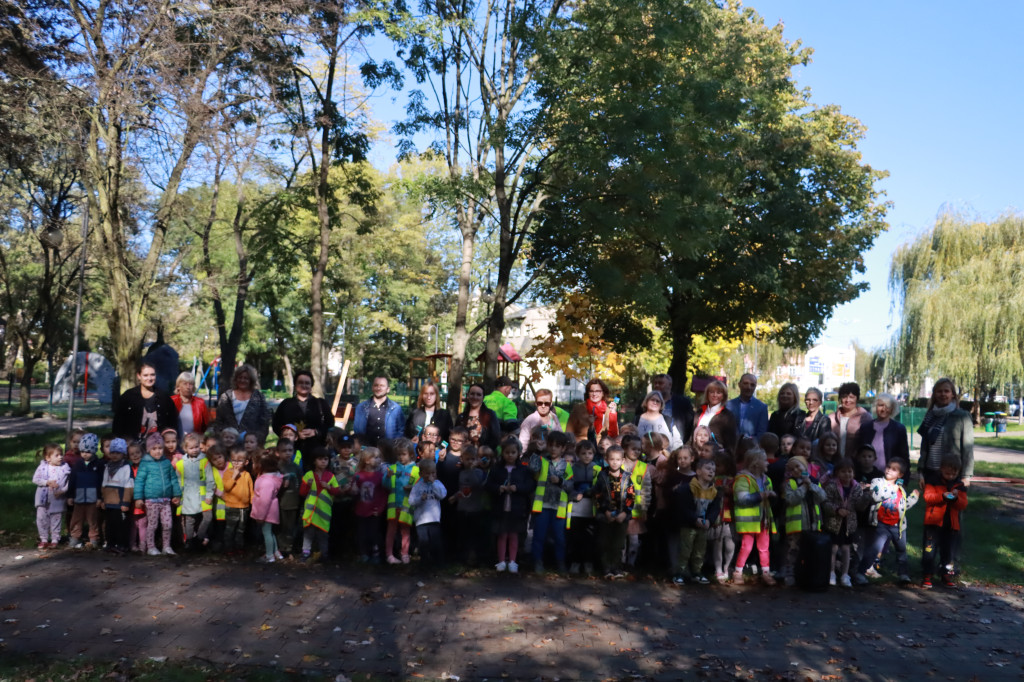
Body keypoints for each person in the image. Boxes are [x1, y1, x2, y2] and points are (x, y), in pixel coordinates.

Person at [853, 457, 919, 585]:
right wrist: (892, 489)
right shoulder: (877, 482)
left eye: (894, 469)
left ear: (900, 474)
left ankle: (903, 574)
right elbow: (875, 496)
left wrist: (913, 498)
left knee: (901, 550)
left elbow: (903, 506)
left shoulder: (900, 488)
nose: (889, 470)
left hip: (898, 526)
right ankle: (860, 573)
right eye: (888, 467)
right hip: (881, 524)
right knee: (873, 550)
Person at [670, 457, 721, 585]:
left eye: (713, 470)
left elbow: (715, 509)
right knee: (685, 550)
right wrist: (694, 519)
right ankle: (679, 573)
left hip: (703, 526)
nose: (711, 472)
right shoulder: (687, 489)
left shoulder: (714, 491)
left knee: (700, 550)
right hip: (688, 525)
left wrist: (710, 520)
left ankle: (697, 572)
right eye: (708, 469)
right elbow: (683, 507)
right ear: (698, 471)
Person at [487, 437, 534, 574]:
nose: (510, 455)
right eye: (507, 452)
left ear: (518, 453)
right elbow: (488, 484)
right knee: (502, 535)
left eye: (513, 452)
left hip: (517, 508)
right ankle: (501, 561)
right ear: (502, 453)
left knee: (514, 535)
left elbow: (530, 486)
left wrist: (517, 488)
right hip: (500, 507)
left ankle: (513, 561)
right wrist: (499, 488)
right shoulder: (496, 469)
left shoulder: (523, 470)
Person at [731, 447, 777, 585]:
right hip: (749, 521)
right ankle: (738, 571)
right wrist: (762, 495)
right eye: (764, 460)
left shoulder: (766, 479)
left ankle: (766, 573)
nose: (768, 463)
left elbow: (770, 498)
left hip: (764, 519)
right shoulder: (742, 479)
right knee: (747, 546)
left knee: (764, 547)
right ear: (756, 463)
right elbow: (741, 499)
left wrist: (772, 496)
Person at [921, 454, 968, 588]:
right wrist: (942, 496)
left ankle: (946, 574)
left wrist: (956, 498)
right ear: (941, 469)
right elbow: (928, 497)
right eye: (947, 473)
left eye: (954, 474)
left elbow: (963, 504)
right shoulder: (933, 480)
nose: (950, 476)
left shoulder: (959, 485)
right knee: (929, 549)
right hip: (933, 523)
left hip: (950, 524)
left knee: (948, 551)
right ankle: (927, 574)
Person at [529, 430, 573, 574]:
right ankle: (537, 562)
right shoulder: (542, 460)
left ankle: (560, 563)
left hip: (559, 508)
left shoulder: (567, 465)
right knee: (539, 536)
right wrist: (537, 451)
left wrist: (560, 481)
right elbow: (532, 468)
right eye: (551, 445)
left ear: (563, 448)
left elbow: (571, 485)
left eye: (557, 446)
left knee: (560, 538)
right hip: (542, 506)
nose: (553, 448)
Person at [917, 378, 974, 487]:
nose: (943, 394)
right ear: (934, 394)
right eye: (939, 391)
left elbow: (968, 449)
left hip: (951, 473)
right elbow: (924, 447)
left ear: (952, 394)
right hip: (930, 472)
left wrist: (966, 476)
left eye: (946, 391)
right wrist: (921, 472)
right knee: (931, 503)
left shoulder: (962, 416)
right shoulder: (930, 416)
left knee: (951, 503)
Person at [272, 370, 335, 468]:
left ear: (311, 386)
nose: (304, 385)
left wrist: (316, 432)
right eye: (300, 382)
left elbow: (330, 423)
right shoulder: (286, 404)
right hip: (292, 451)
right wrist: (293, 434)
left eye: (307, 383)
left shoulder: (321, 404)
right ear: (295, 385)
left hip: (317, 451)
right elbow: (276, 425)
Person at [780, 455, 826, 587]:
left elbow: (822, 497)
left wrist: (810, 485)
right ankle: (789, 574)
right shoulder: (790, 483)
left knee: (809, 552)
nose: (796, 470)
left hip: (812, 525)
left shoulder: (814, 481)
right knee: (792, 551)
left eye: (798, 466)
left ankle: (806, 575)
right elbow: (791, 499)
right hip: (796, 526)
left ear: (805, 466)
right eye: (792, 468)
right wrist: (803, 488)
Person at [134, 432, 182, 556]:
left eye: (160, 448)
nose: (158, 452)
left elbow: (173, 479)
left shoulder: (166, 462)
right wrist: (138, 498)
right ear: (149, 449)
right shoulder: (145, 463)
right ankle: (151, 547)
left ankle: (166, 546)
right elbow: (139, 480)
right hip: (151, 500)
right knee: (153, 525)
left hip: (166, 500)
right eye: (154, 449)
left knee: (167, 524)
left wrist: (177, 494)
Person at [822, 458, 865, 588]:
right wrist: (836, 510)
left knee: (846, 548)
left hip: (849, 523)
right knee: (833, 548)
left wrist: (868, 497)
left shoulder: (856, 487)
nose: (847, 474)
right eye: (843, 471)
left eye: (850, 471)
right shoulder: (831, 486)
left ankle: (845, 574)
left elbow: (859, 505)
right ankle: (831, 572)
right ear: (837, 473)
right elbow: (825, 502)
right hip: (834, 523)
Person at [112, 360, 179, 442]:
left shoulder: (164, 398)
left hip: (157, 448)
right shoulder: (128, 397)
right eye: (145, 375)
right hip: (132, 448)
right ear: (139, 376)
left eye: (152, 375)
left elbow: (173, 423)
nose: (149, 378)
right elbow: (118, 425)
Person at [594, 445, 635, 579]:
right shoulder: (602, 475)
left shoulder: (627, 477)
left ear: (622, 460)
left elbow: (631, 497)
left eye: (618, 459)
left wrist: (625, 513)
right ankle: (606, 568)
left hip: (621, 516)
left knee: (618, 544)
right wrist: (605, 511)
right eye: (612, 459)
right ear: (606, 459)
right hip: (606, 515)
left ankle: (616, 568)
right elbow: (598, 494)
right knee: (604, 542)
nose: (615, 462)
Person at [299, 447, 343, 562]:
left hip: (324, 511)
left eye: (326, 459)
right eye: (320, 459)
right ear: (314, 461)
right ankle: (306, 552)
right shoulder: (309, 475)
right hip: (311, 511)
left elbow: (337, 491)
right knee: (308, 533)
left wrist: (329, 487)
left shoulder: (330, 476)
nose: (323, 461)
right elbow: (302, 493)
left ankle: (324, 554)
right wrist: (307, 485)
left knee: (323, 534)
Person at [566, 439, 601, 576]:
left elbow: (601, 485)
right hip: (576, 508)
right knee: (576, 537)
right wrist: (574, 494)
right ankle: (575, 562)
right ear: (578, 454)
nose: (587, 456)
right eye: (583, 453)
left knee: (589, 538)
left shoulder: (597, 469)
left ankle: (588, 563)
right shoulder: (572, 469)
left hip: (591, 508)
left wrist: (591, 492)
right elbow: (568, 484)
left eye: (590, 453)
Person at [213, 364, 271, 445]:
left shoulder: (259, 397)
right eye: (240, 377)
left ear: (251, 380)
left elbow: (265, 422)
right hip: (228, 443)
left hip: (251, 444)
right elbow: (219, 421)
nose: (242, 380)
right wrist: (221, 438)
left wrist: (258, 440)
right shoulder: (226, 396)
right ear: (235, 379)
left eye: (246, 378)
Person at [451, 446, 488, 566]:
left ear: (477, 459)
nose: (470, 462)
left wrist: (472, 470)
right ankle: (463, 558)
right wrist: (455, 496)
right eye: (467, 459)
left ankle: (476, 559)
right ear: (462, 459)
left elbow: (477, 485)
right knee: (463, 534)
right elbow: (462, 489)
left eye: (473, 459)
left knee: (475, 535)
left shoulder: (479, 472)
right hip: (462, 508)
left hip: (475, 509)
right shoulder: (461, 473)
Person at [384, 439, 419, 564]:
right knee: (391, 531)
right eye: (398, 454)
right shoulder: (392, 468)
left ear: (410, 454)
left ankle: (405, 554)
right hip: (393, 506)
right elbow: (386, 485)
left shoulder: (416, 469)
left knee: (405, 530)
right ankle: (389, 555)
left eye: (403, 454)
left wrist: (412, 487)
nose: (400, 457)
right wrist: (387, 477)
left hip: (407, 505)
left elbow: (419, 486)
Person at [174, 433, 211, 550]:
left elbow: (210, 480)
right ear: (185, 449)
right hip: (188, 497)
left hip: (203, 497)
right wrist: (177, 496)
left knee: (207, 517)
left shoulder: (205, 461)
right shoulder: (180, 464)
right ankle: (189, 542)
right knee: (189, 521)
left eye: (196, 447)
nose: (194, 450)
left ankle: (199, 538)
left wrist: (209, 495)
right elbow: (178, 482)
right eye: (191, 448)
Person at [67, 433, 103, 549]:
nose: (85, 454)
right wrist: (70, 496)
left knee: (93, 520)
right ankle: (75, 537)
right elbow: (72, 481)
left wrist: (100, 497)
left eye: (88, 452)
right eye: (82, 452)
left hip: (93, 499)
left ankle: (93, 539)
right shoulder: (78, 464)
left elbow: (101, 482)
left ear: (93, 451)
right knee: (77, 519)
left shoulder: (99, 465)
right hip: (79, 497)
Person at [409, 459, 448, 568]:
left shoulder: (438, 483)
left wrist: (433, 483)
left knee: (436, 543)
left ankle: (439, 563)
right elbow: (411, 501)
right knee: (423, 543)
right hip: (421, 520)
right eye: (428, 473)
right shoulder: (417, 486)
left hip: (434, 519)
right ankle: (424, 564)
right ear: (421, 474)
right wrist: (420, 498)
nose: (431, 476)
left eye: (433, 473)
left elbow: (442, 495)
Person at [637, 374, 694, 445]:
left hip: (674, 445)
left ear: (670, 385)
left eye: (660, 383)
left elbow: (690, 424)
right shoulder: (646, 402)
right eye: (655, 383)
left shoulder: (683, 403)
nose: (657, 385)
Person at [352, 447, 387, 564]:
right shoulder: (358, 475)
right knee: (362, 533)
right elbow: (354, 491)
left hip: (374, 510)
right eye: (375, 457)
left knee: (374, 533)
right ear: (366, 460)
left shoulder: (380, 476)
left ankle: (375, 554)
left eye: (379, 458)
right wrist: (353, 489)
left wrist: (381, 508)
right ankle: (363, 553)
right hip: (360, 510)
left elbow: (383, 494)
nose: (378, 460)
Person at [33, 443, 69, 549]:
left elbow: (68, 483)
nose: (60, 457)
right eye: (57, 455)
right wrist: (47, 482)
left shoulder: (64, 468)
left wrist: (62, 491)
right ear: (48, 458)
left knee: (56, 519)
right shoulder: (43, 468)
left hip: (57, 499)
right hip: (43, 500)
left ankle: (55, 539)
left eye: (61, 454)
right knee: (41, 519)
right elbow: (36, 479)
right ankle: (44, 538)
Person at [352, 376, 405, 448]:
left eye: (382, 386)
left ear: (388, 389)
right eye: (376, 385)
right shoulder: (361, 408)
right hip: (366, 451)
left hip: (388, 450)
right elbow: (357, 431)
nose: (378, 388)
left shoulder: (396, 409)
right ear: (372, 388)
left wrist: (394, 446)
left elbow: (401, 430)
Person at [861, 393, 909, 471]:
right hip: (868, 475)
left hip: (890, 476)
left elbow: (904, 457)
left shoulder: (899, 429)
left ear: (892, 408)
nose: (884, 409)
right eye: (880, 405)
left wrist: (902, 481)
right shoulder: (865, 427)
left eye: (888, 406)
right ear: (875, 407)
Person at [251, 453, 284, 563]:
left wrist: (260, 516)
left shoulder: (267, 482)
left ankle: (269, 556)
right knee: (270, 532)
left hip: (267, 512)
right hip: (270, 510)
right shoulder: (270, 477)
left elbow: (265, 501)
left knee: (266, 532)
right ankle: (276, 553)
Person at [221, 446, 254, 556]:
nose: (236, 463)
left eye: (240, 461)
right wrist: (233, 477)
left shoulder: (247, 474)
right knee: (230, 529)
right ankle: (228, 548)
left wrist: (252, 502)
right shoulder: (228, 473)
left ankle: (239, 547)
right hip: (232, 506)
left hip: (244, 507)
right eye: (234, 460)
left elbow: (251, 490)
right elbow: (226, 488)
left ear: (246, 462)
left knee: (241, 529)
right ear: (230, 460)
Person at [693, 380, 737, 458]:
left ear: (723, 396)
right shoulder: (699, 412)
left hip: (716, 458)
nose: (715, 395)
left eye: (718, 393)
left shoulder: (727, 416)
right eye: (712, 392)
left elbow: (730, 443)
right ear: (707, 394)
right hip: (696, 455)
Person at [829, 382, 872, 459]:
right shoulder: (831, 418)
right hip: (833, 463)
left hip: (856, 464)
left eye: (851, 397)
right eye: (844, 397)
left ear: (857, 398)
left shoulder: (865, 418)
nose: (847, 400)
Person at [275, 439, 302, 558]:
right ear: (278, 452)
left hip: (294, 502)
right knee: (281, 526)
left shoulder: (296, 467)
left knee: (291, 526)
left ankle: (289, 548)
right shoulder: (276, 467)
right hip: (280, 502)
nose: (288, 453)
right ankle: (281, 548)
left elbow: (301, 484)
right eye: (284, 450)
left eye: (290, 450)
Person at [456, 383, 502, 450]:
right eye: (472, 394)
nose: (475, 397)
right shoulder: (461, 417)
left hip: (484, 457)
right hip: (464, 456)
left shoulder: (489, 415)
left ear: (483, 398)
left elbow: (496, 438)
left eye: (478, 395)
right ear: (468, 396)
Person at [727, 373, 769, 441]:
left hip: (752, 448)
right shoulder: (728, 405)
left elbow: (762, 433)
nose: (749, 387)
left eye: (752, 385)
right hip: (730, 446)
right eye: (745, 383)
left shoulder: (762, 408)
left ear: (755, 387)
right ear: (739, 385)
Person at [172, 371, 210, 437]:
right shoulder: (171, 401)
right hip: (174, 442)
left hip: (194, 442)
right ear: (178, 386)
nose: (188, 387)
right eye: (185, 384)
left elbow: (205, 425)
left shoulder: (200, 403)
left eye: (191, 384)